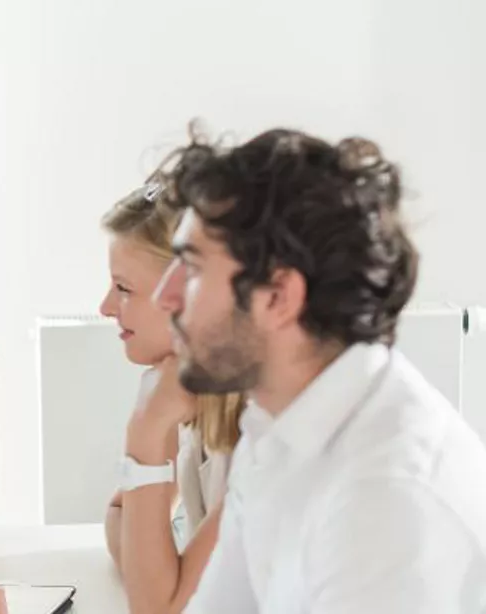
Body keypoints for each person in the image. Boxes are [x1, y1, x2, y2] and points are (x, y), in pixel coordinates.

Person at [145, 128, 486, 613]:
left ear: (279, 297)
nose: (165, 296)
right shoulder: (276, 428)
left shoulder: (387, 498)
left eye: (193, 269)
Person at [97, 178, 245, 614]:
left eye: (123, 288)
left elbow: (161, 609)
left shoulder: (261, 432)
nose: (106, 306)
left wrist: (146, 434)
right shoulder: (202, 403)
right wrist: (158, 576)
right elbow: (118, 515)